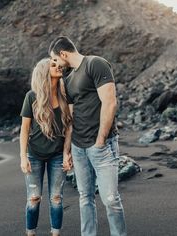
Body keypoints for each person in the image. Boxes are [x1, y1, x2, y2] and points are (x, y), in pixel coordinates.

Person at [49, 36, 127, 236]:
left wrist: (101, 140)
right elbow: (72, 116)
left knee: (110, 198)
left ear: (63, 54)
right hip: (78, 146)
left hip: (101, 145)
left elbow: (110, 102)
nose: (56, 63)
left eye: (55, 59)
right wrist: (67, 150)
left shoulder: (95, 64)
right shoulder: (69, 78)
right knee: (85, 197)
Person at [19, 58, 72, 236]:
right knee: (34, 199)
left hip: (57, 155)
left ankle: (55, 233)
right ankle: (31, 233)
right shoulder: (32, 96)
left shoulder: (65, 96)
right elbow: (25, 129)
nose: (59, 67)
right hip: (34, 154)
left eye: (59, 65)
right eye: (53, 65)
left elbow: (69, 128)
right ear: (44, 71)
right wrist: (23, 157)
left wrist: (66, 154)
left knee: (56, 198)